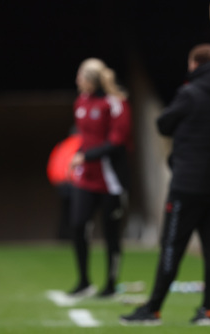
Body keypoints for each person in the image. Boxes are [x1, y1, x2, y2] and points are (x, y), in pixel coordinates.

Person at [120, 44, 210, 326]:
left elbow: (163, 124)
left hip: (187, 183)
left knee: (172, 246)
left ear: (196, 64)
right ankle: (208, 310)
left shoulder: (190, 93)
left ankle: (153, 309)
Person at [68, 58, 132, 297]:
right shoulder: (80, 102)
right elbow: (85, 139)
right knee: (78, 225)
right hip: (86, 178)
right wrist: (78, 156)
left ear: (92, 79)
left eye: (80, 76)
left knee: (111, 233)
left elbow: (117, 142)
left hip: (111, 179)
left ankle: (110, 284)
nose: (77, 81)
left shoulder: (115, 103)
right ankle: (84, 281)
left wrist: (86, 156)